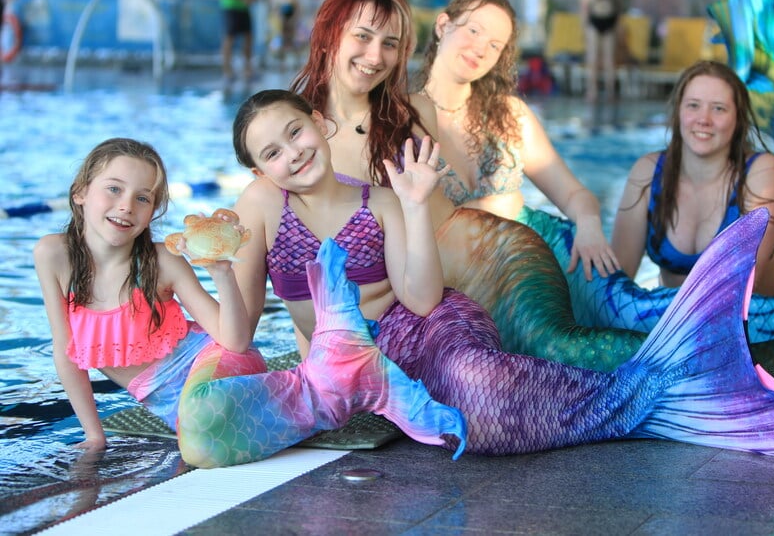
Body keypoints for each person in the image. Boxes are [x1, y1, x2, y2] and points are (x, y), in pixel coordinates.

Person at [230, 88, 774, 457]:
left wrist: (415, 205)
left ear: (319, 121)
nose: (293, 153)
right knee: (474, 421)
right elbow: (239, 332)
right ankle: (668, 390)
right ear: (257, 169)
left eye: (295, 132)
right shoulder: (259, 207)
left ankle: (658, 394)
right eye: (271, 153)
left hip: (420, 329)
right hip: (358, 369)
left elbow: (419, 299)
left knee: (483, 400)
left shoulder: (382, 199)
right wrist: (211, 268)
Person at [35, 137, 465, 469]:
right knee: (201, 434)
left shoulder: (162, 261)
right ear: (80, 193)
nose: (126, 206)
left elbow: (234, 341)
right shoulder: (53, 255)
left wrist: (222, 272)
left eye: (142, 198)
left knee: (201, 437)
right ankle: (339, 372)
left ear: (153, 212)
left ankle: (338, 384)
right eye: (113, 189)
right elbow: (65, 353)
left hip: (216, 365)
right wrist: (95, 437)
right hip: (177, 404)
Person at [413, 0, 619, 281]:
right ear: (442, 25)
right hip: (454, 286)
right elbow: (406, 225)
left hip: (532, 271)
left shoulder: (511, 115)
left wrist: (589, 225)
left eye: (495, 45)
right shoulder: (403, 118)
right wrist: (495, 206)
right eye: (473, 31)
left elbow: (573, 193)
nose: (481, 49)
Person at [611, 60, 774, 297]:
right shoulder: (648, 172)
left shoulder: (761, 173)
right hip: (675, 320)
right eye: (693, 105)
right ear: (678, 113)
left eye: (718, 108)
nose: (703, 119)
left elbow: (742, 287)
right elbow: (617, 282)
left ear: (738, 120)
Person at [581, 0, 623, 104]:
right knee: (593, 58)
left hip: (608, 22)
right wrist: (584, 25)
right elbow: (586, 5)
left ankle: (609, 90)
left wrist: (618, 27)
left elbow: (618, 7)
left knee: (609, 59)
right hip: (595, 22)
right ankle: (592, 90)